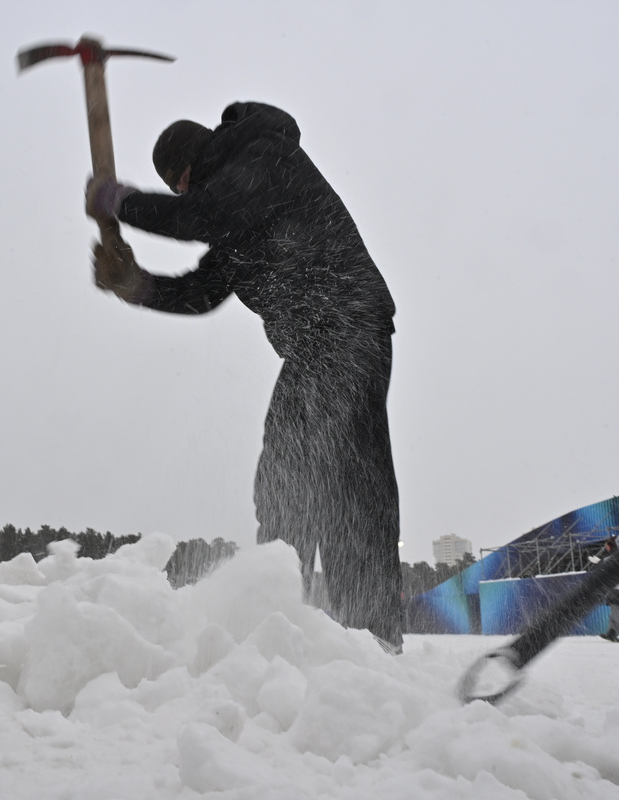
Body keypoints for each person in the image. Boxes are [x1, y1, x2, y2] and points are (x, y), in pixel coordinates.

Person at [86, 102, 403, 651]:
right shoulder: (234, 219)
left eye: (180, 185)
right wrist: (135, 284)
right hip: (313, 351)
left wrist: (123, 202)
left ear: (192, 166)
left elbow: (200, 215)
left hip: (350, 326)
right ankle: (278, 621)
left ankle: (373, 639)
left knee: (349, 486)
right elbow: (201, 292)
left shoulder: (262, 155)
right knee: (283, 477)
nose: (183, 194)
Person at [588, 537, 619, 641]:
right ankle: (611, 634)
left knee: (618, 615)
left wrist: (598, 562)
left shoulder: (615, 557)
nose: (605, 547)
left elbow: (604, 565)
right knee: (614, 615)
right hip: (616, 589)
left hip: (616, 590)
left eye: (606, 545)